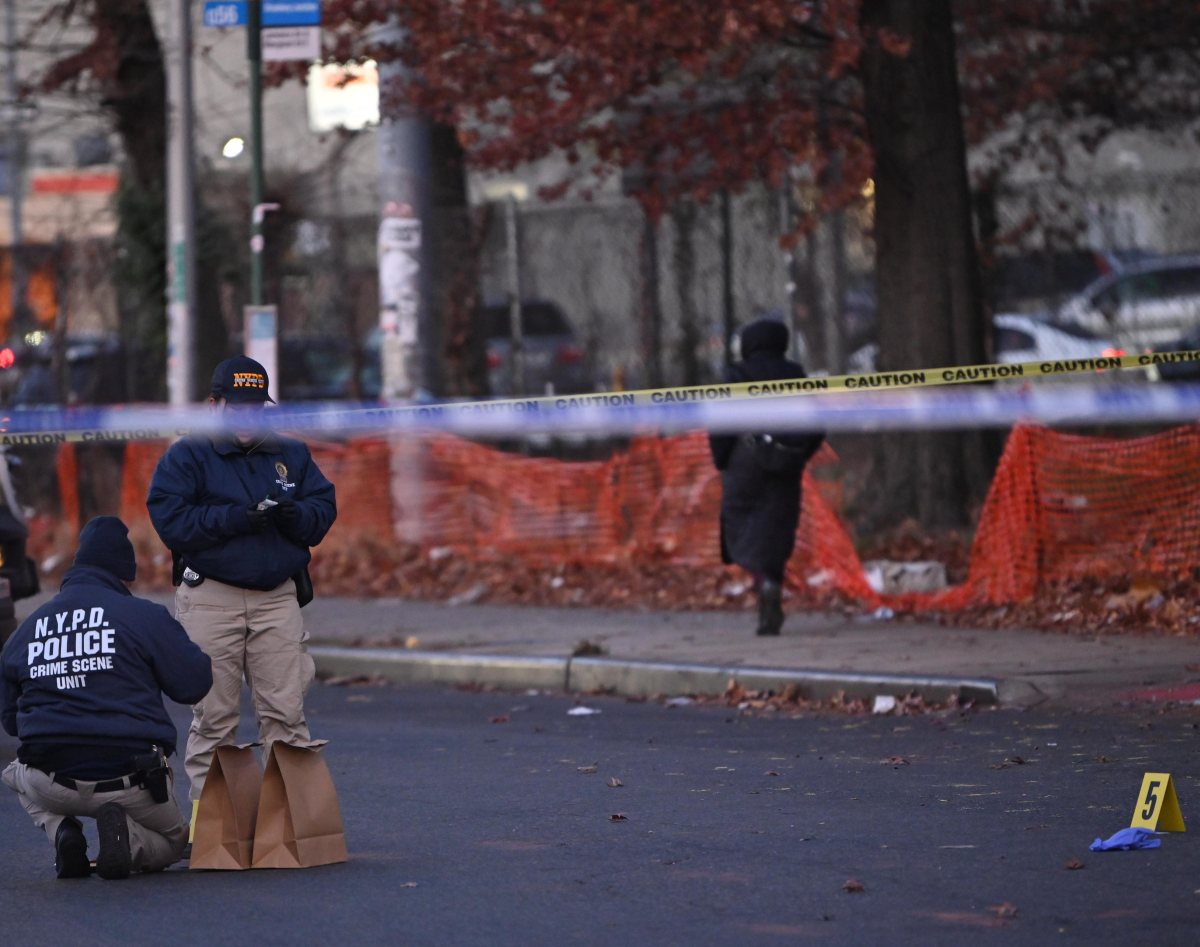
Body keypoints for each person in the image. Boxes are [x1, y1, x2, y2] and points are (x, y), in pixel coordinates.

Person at [146, 355, 336, 831]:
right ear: (214, 406)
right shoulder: (187, 457)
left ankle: (291, 828)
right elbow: (171, 522)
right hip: (212, 598)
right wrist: (234, 519)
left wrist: (298, 517)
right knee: (214, 719)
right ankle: (211, 828)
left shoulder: (290, 454)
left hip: (277, 598)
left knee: (287, 715)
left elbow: (323, 506)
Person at [1, 516, 212, 879]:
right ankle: (128, 841)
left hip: (51, 778)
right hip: (131, 780)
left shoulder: (28, 630)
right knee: (175, 841)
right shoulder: (143, 616)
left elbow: (9, 720)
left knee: (14, 774)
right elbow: (193, 683)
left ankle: (62, 832)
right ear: (123, 573)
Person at [709, 319, 825, 636]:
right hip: (785, 464)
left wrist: (722, 459)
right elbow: (816, 424)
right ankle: (772, 580)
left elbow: (720, 422)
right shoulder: (796, 375)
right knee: (776, 529)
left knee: (742, 526)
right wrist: (800, 454)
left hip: (744, 459)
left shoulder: (736, 375)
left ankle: (761, 582)